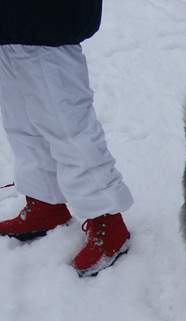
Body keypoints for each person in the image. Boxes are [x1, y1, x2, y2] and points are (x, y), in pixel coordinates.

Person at [0, 1, 133, 276]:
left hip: (50, 19)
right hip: (7, 24)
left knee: (69, 127)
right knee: (21, 122)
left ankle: (107, 220)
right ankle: (44, 202)